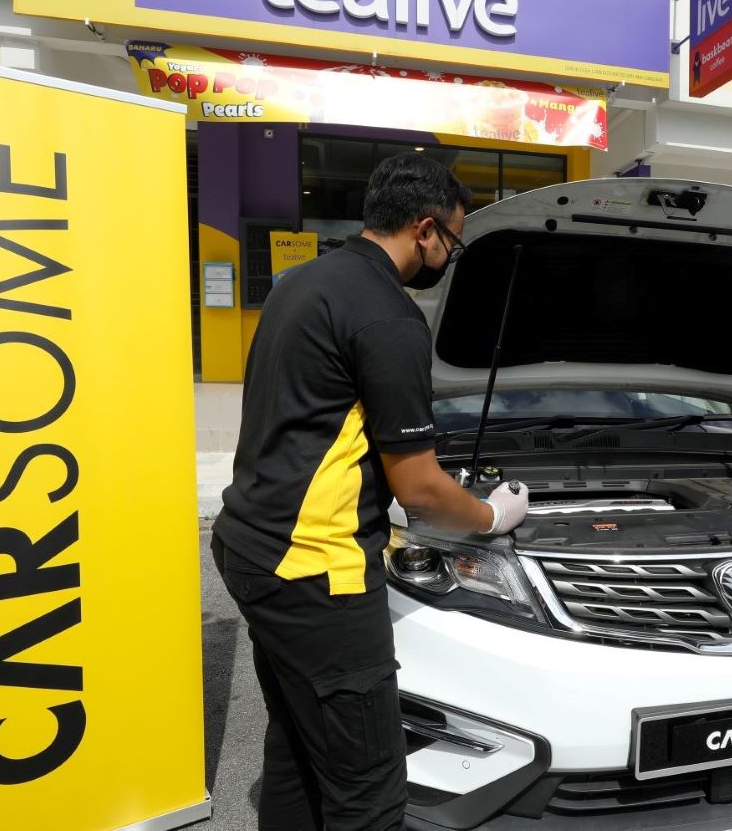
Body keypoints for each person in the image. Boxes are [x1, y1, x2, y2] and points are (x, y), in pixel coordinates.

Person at [211, 152, 530, 831]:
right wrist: (492, 514)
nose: (450, 254)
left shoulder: (305, 282)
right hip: (314, 569)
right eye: (453, 239)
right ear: (424, 230)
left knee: (297, 746)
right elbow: (419, 490)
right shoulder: (387, 315)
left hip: (250, 543)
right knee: (371, 790)